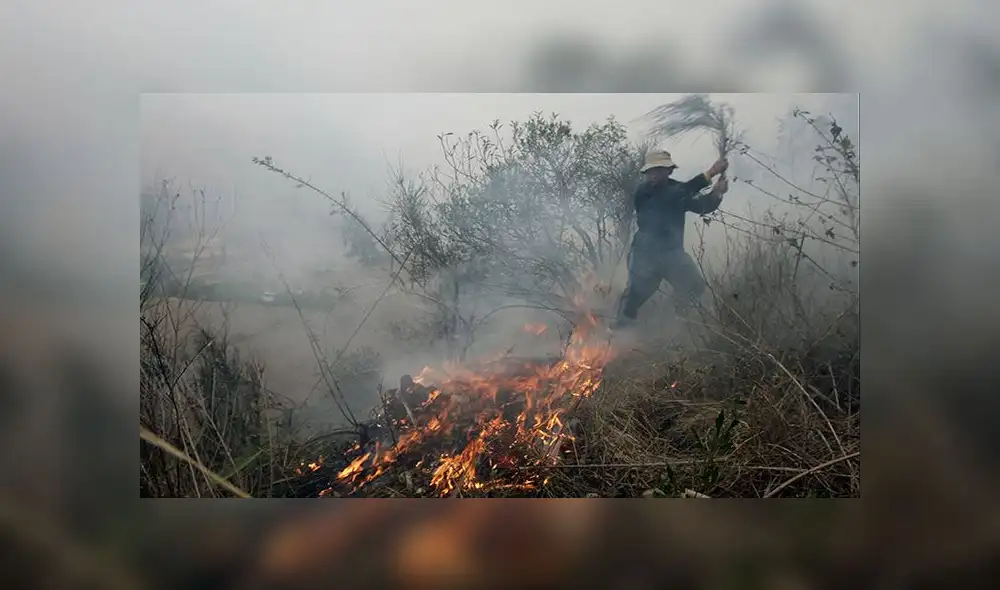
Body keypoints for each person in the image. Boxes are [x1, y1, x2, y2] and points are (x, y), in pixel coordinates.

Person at [613, 149, 730, 329]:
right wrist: (711, 173)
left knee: (695, 286)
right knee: (634, 297)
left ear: (669, 171)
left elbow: (702, 206)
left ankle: (676, 316)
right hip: (645, 255)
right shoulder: (644, 192)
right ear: (646, 172)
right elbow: (674, 195)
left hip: (672, 254)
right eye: (652, 170)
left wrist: (717, 193)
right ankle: (617, 336)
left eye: (660, 170)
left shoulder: (676, 190)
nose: (655, 174)